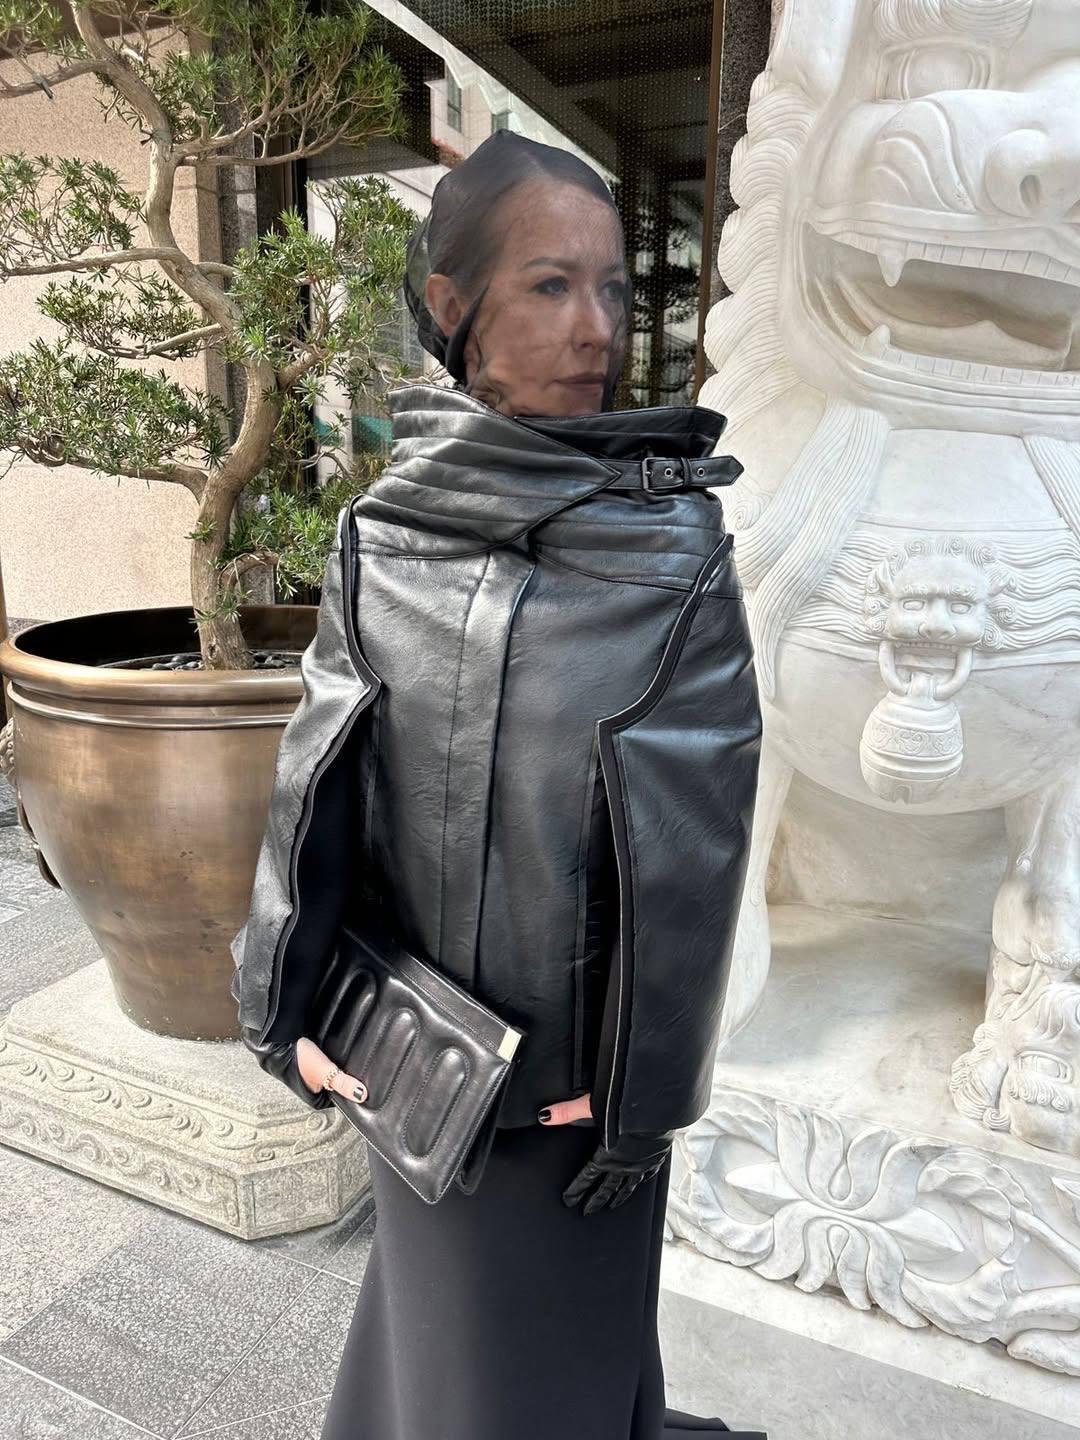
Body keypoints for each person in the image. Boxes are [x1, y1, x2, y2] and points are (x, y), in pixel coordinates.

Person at [230, 129, 765, 1439]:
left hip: (571, 1109)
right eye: (550, 284)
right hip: (412, 1064)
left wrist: (641, 1103)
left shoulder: (674, 549)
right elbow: (319, 784)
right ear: (453, 306)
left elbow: (692, 852)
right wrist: (282, 1007)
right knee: (447, 1352)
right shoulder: (380, 534)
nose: (597, 328)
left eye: (613, 288)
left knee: (545, 1373)